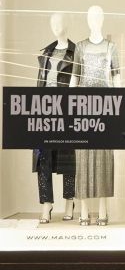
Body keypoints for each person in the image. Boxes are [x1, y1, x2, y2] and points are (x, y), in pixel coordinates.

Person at [69, 5, 121, 226]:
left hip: (105, 107)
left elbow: (117, 78)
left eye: (98, 16)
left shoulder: (111, 47)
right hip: (83, 106)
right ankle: (83, 209)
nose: (94, 20)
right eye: (91, 17)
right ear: (87, 20)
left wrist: (119, 107)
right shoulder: (80, 47)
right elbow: (75, 78)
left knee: (104, 156)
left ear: (103, 18)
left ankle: (102, 209)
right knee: (82, 157)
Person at [34, 13, 76, 223]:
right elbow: (39, 84)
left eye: (59, 22)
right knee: (43, 156)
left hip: (66, 109)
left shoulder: (76, 52)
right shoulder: (46, 53)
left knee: (68, 157)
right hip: (44, 109)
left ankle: (69, 201)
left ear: (66, 25)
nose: (56, 26)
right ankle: (46, 203)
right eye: (53, 23)